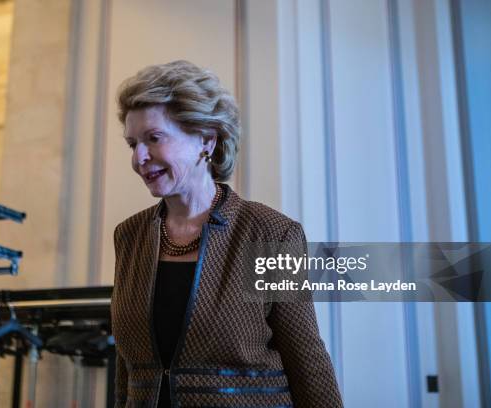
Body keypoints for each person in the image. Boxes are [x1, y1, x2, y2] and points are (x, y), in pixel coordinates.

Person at [111, 60, 343, 408]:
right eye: (132, 144)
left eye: (153, 139)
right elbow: (126, 369)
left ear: (206, 139)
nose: (139, 157)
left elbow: (305, 356)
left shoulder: (270, 233)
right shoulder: (130, 235)